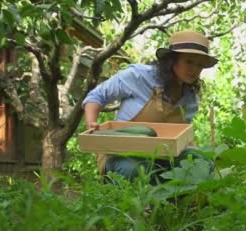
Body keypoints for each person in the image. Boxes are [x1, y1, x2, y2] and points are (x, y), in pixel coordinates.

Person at [83, 30, 216, 184]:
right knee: (137, 169)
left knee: (203, 164)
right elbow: (96, 97)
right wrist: (91, 125)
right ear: (172, 60)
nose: (194, 69)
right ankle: (134, 203)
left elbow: (183, 135)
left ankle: (175, 204)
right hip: (123, 155)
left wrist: (201, 156)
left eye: (200, 65)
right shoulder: (138, 76)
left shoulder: (190, 99)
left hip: (163, 158)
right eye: (189, 61)